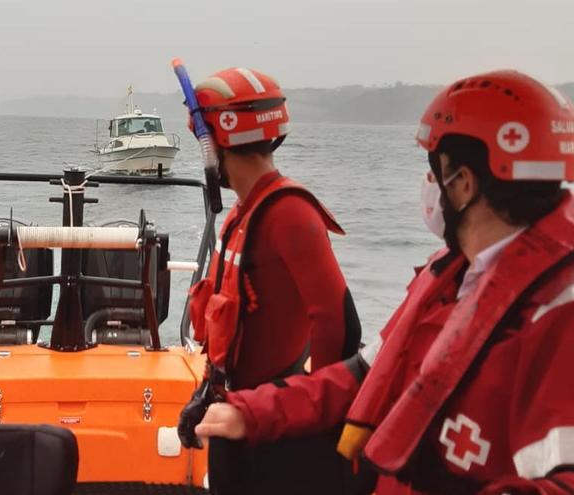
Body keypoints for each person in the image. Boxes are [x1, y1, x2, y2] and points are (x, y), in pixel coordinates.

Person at [194, 70, 574, 494]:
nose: (428, 187)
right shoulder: (449, 276)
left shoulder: (558, 313)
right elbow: (363, 373)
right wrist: (247, 412)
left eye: (434, 171)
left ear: (463, 184)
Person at [177, 67, 362, 494]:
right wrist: (209, 391)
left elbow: (339, 323)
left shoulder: (288, 212)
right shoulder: (244, 212)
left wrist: (314, 420)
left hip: (271, 424)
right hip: (235, 409)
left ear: (216, 141)